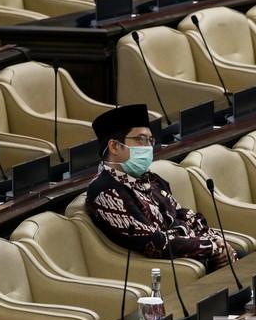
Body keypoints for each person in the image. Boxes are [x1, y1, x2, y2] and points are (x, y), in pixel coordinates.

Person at [86, 104, 236, 272]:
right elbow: (154, 242)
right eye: (141, 140)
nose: (148, 147)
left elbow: (182, 214)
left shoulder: (151, 178)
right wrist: (211, 247)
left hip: (192, 253)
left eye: (150, 140)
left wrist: (217, 241)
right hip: (165, 270)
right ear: (114, 146)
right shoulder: (106, 192)